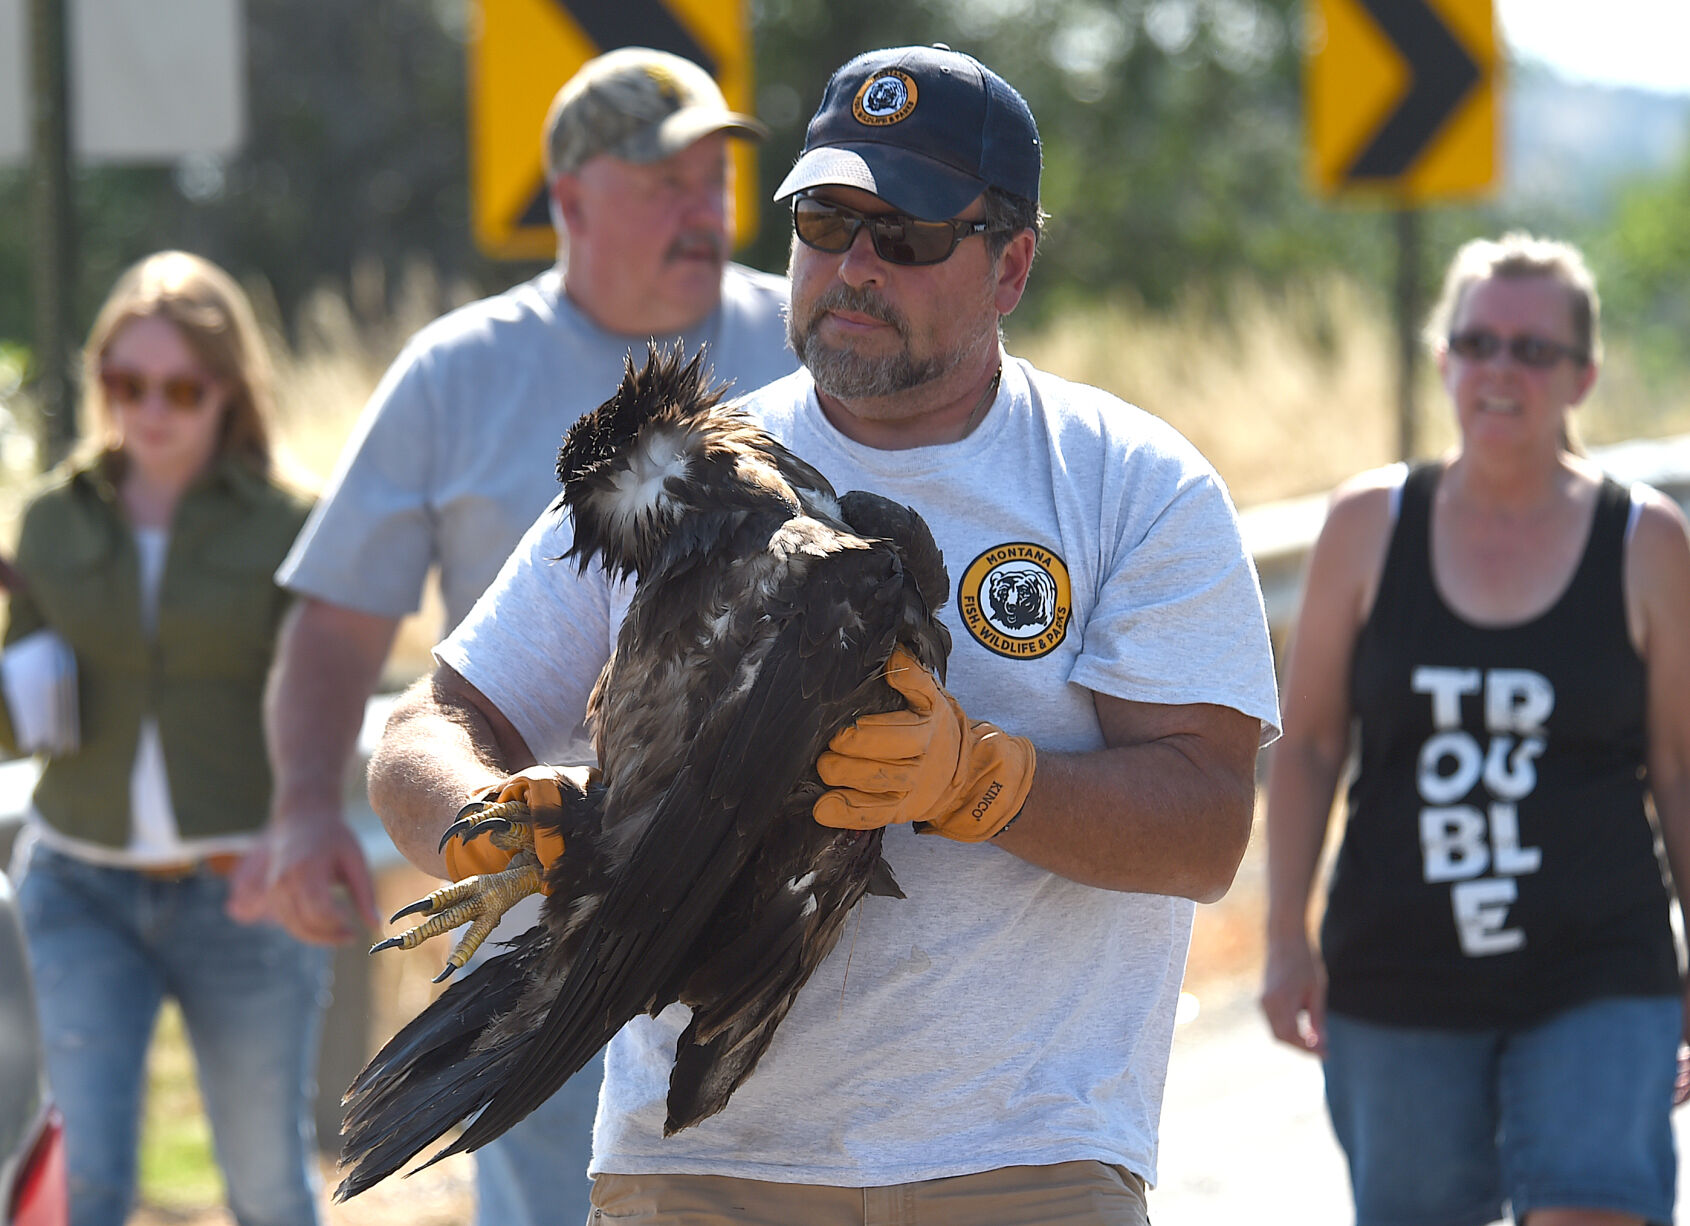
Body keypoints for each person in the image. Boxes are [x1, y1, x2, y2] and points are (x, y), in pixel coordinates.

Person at [366, 44, 1280, 1225]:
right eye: (823, 219)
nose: (851, 266)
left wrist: (986, 780)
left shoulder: (1129, 486)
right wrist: (485, 821)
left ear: (1009, 264)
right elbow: (423, 730)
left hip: (1018, 1161)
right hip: (697, 1168)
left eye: (901, 235)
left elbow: (1204, 828)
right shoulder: (681, 471)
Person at [227, 45, 797, 1226]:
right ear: (570, 197)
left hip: (773, 911)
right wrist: (301, 807)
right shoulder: (457, 373)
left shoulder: (809, 350)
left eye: (717, 181)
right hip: (550, 917)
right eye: (666, 182)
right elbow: (336, 625)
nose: (705, 209)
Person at [1259, 232, 1690, 1226]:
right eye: (1479, 342)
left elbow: (1676, 761)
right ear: (1444, 357)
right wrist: (1285, 936)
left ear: (1581, 375)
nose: (1501, 369)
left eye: (1534, 350)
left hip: (1599, 963)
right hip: (1397, 968)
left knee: (1594, 1201)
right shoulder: (1369, 523)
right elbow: (1311, 739)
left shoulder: (1645, 539)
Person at [3, 251, 324, 1226]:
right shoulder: (54, 521)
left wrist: (296, 831)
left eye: (181, 386)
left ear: (227, 389)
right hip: (79, 885)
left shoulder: (293, 524)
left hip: (245, 890)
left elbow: (322, 704)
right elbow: (19, 714)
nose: (150, 409)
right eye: (125, 383)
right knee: (89, 1177)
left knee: (267, 1184)